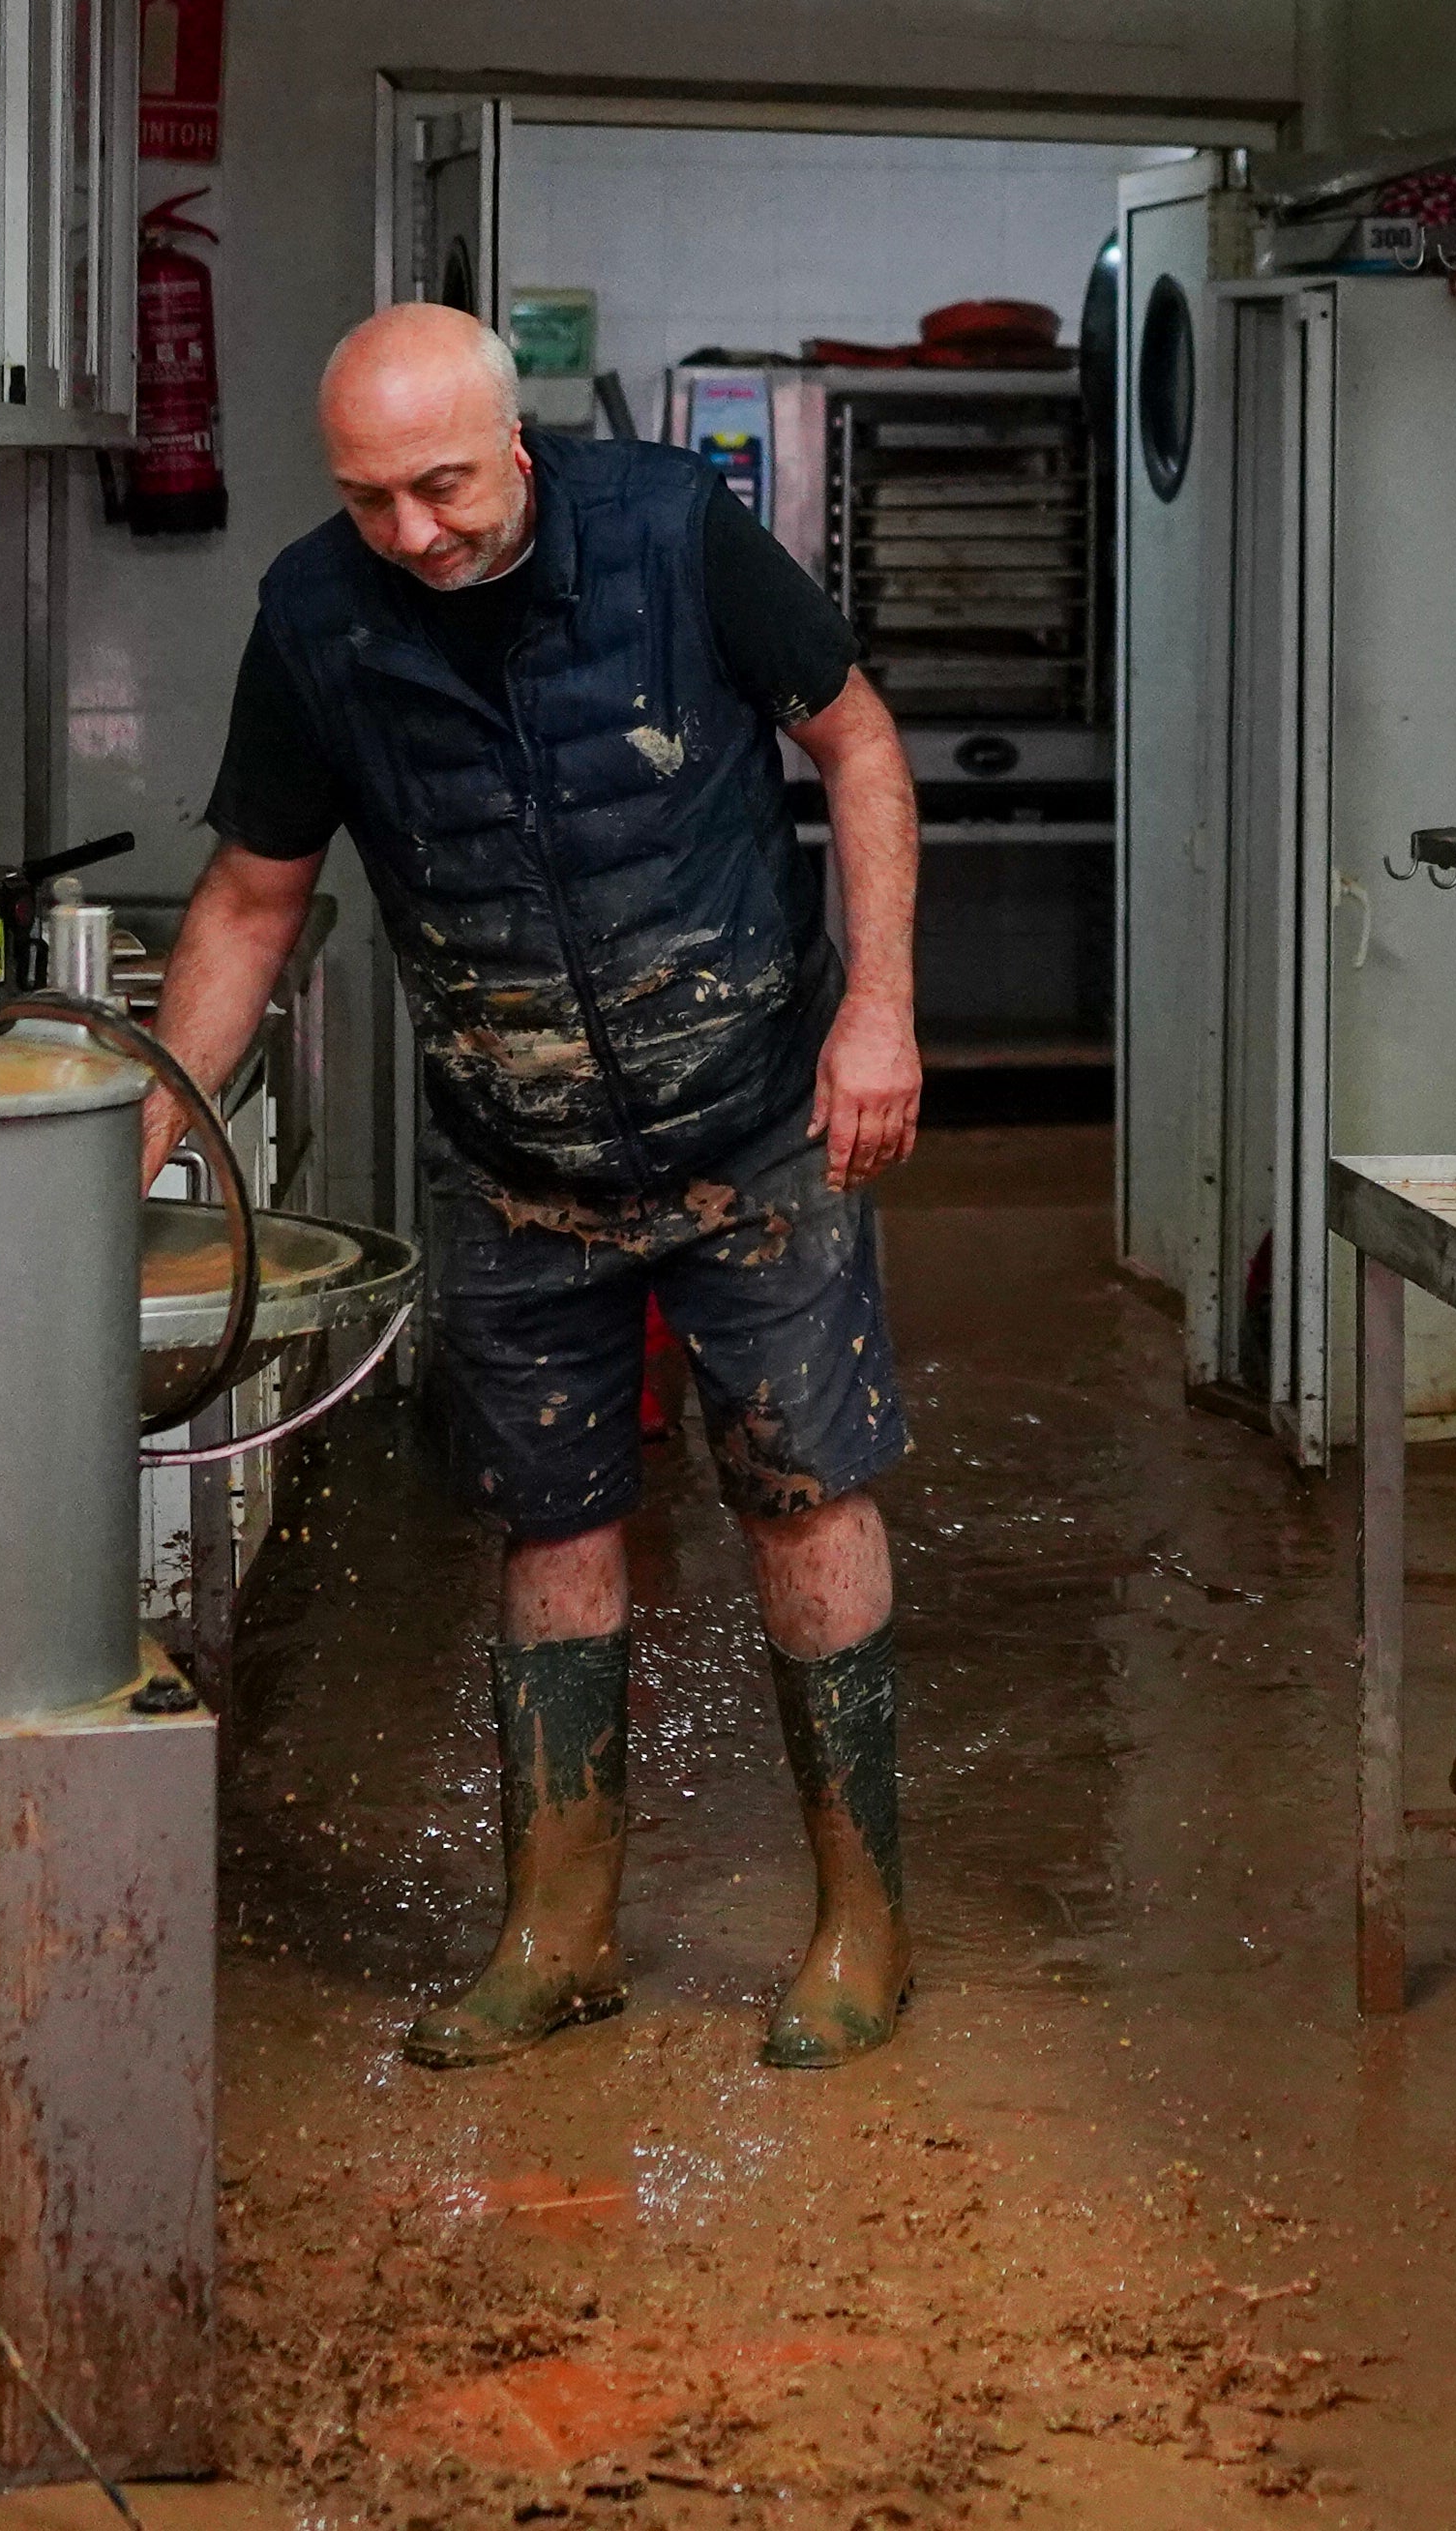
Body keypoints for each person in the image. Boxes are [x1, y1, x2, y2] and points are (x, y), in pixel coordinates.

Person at [150, 306, 927, 2069]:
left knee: (803, 1494)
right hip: (518, 1152)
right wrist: (160, 1130)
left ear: (514, 447)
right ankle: (559, 1931)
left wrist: (878, 1012)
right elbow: (253, 898)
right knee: (551, 1522)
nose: (413, 534)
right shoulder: (315, 618)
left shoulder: (670, 531)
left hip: (756, 1117)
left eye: (441, 488)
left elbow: (860, 748)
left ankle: (862, 1922)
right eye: (371, 500)